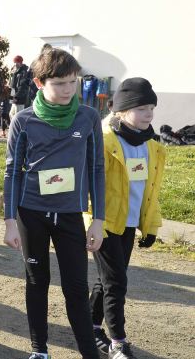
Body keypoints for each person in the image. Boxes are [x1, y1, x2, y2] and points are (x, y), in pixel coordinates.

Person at [3, 48, 106, 359]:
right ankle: (40, 350)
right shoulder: (24, 120)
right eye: (60, 83)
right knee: (37, 282)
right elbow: (12, 172)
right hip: (31, 214)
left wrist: (98, 219)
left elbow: (96, 169)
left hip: (71, 216)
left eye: (73, 82)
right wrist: (10, 221)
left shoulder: (88, 117)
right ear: (38, 82)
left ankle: (89, 352)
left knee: (76, 287)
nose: (68, 90)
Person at [90, 78, 165, 359]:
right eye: (143, 108)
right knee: (116, 283)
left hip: (129, 223)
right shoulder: (105, 140)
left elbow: (149, 191)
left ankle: (91, 325)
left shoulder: (151, 145)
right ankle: (118, 342)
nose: (150, 114)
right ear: (123, 110)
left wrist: (151, 225)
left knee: (106, 280)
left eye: (152, 108)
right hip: (105, 223)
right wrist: (92, 222)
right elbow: (91, 185)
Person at [9, 55, 31, 121]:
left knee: (18, 117)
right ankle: (15, 129)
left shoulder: (23, 72)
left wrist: (16, 97)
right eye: (14, 62)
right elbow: (12, 86)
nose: (15, 64)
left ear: (21, 63)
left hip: (19, 100)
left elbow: (22, 87)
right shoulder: (15, 72)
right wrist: (11, 97)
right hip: (14, 98)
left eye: (16, 62)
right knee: (11, 114)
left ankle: (19, 130)